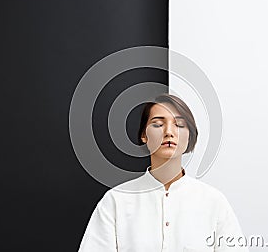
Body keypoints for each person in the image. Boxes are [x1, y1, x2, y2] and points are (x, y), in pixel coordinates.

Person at [78, 93, 248, 252]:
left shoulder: (214, 202)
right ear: (144, 135)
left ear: (189, 137)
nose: (169, 132)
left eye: (179, 125)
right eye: (158, 124)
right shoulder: (116, 200)